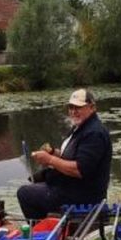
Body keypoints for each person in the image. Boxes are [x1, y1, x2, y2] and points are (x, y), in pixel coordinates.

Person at [17, 88, 112, 220]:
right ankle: (51, 228)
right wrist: (53, 152)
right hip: (73, 189)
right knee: (35, 184)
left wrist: (49, 159)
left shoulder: (94, 133)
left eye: (78, 107)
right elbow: (72, 155)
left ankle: (42, 235)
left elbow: (79, 169)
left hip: (83, 196)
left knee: (25, 193)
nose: (73, 111)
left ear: (92, 107)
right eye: (71, 107)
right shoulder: (82, 127)